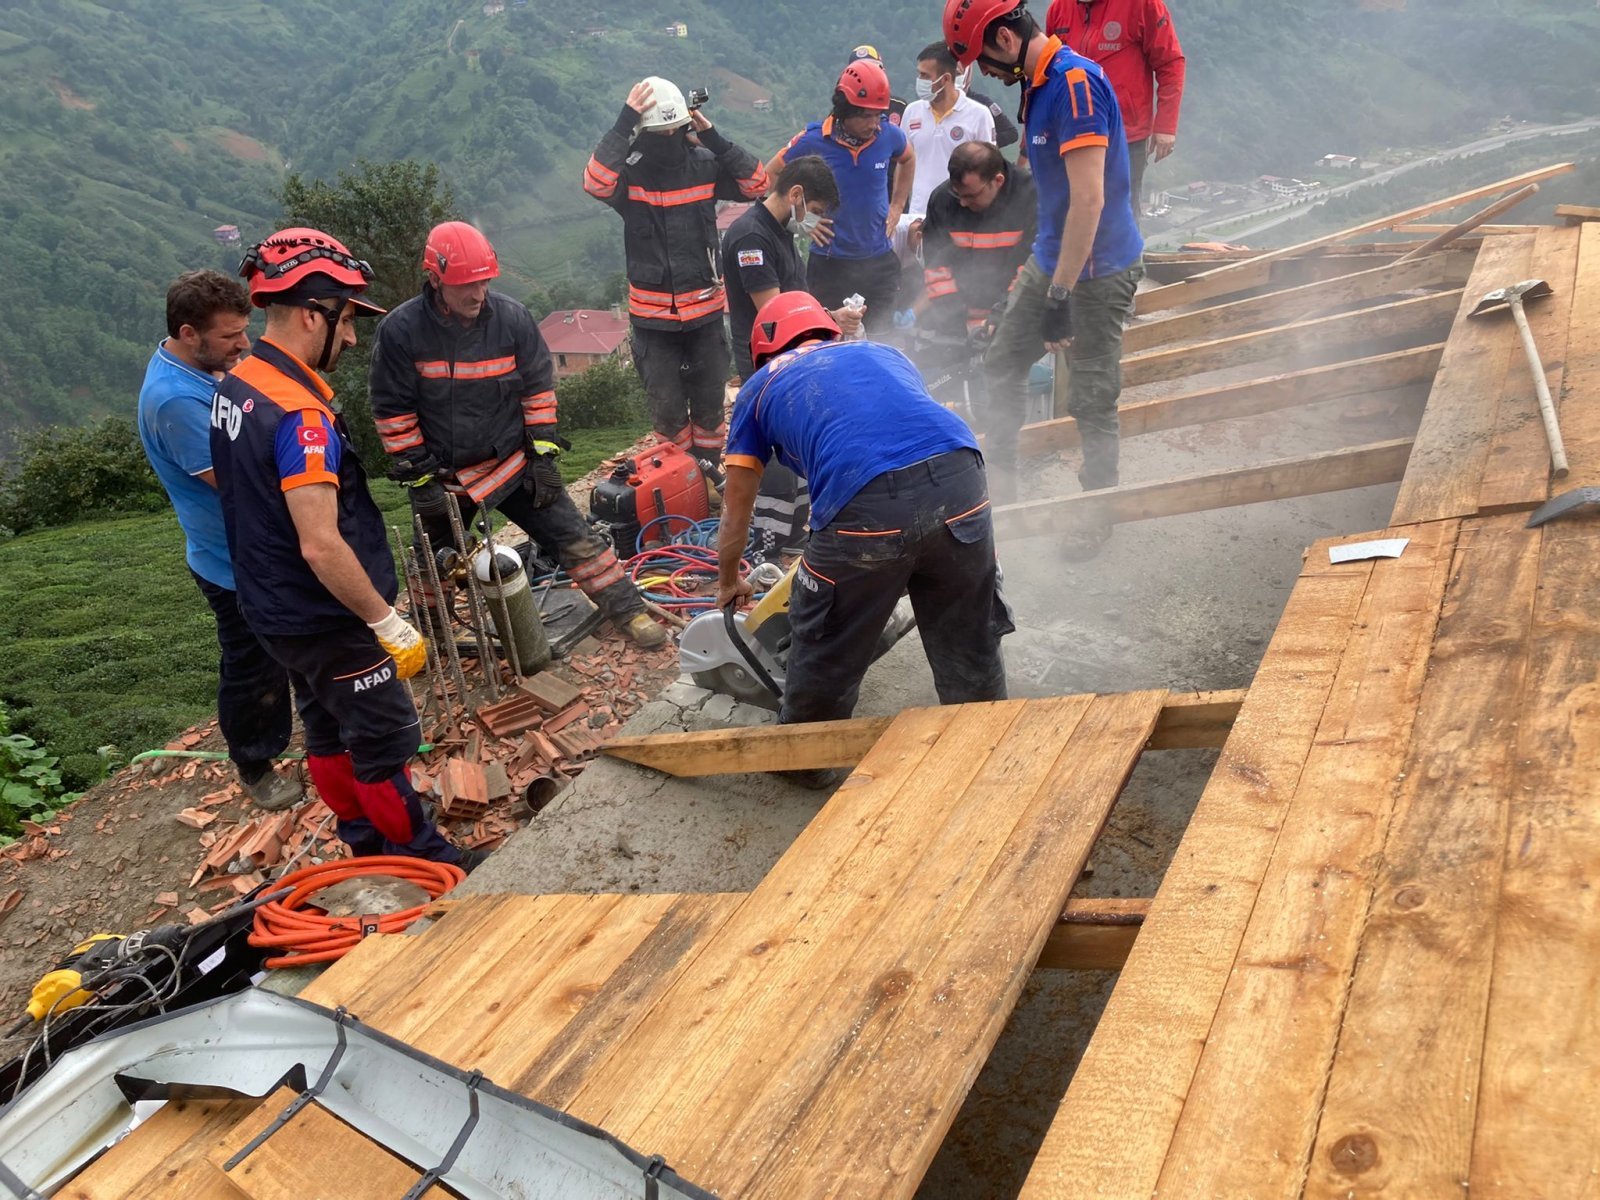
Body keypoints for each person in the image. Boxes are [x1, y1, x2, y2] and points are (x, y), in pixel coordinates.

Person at [209, 227, 478, 868]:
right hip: (327, 614)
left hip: (272, 609)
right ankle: (425, 857)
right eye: (349, 319)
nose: (354, 337)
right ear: (311, 314)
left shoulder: (236, 386)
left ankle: (362, 844)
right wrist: (385, 621)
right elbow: (322, 544)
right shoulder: (300, 417)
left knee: (328, 727)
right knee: (385, 737)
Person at [717, 292, 1013, 762]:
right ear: (827, 330)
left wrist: (729, 579)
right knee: (968, 628)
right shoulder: (883, 353)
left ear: (763, 351)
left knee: (826, 638)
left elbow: (737, 508)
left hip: (866, 505)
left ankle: (806, 762)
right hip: (963, 481)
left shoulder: (760, 385)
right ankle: (983, 742)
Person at [369, 221, 666, 650]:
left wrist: (543, 457)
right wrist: (421, 480)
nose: (477, 295)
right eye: (465, 286)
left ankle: (628, 611)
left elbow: (538, 390)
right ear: (435, 280)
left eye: (484, 283)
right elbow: (393, 413)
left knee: (574, 536)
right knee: (431, 564)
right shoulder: (401, 332)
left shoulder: (511, 319)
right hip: (445, 476)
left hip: (512, 462)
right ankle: (429, 639)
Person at [945, 0, 1145, 557]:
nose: (984, 74)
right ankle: (1000, 494)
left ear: (1005, 40)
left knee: (1092, 397)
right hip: (1053, 258)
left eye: (983, 61)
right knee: (1001, 363)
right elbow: (1053, 201)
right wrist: (1038, 279)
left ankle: (1095, 512)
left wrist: (1060, 295)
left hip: (1099, 271)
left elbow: (1089, 200)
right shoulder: (1037, 86)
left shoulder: (1075, 86)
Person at [137, 270, 302, 812]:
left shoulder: (203, 369)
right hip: (230, 560)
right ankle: (254, 763)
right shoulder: (174, 401)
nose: (243, 344)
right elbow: (237, 480)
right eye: (231, 337)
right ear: (189, 333)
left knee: (285, 646)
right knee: (252, 664)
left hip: (254, 546)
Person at [583, 77, 768, 484]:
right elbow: (595, 181)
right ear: (644, 132)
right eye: (660, 132)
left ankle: (708, 477)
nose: (669, 138)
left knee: (707, 408)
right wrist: (623, 121)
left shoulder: (704, 163)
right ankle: (682, 479)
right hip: (653, 323)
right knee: (667, 413)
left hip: (703, 313)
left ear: (686, 125)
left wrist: (714, 138)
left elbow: (758, 184)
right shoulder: (630, 171)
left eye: (675, 129)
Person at [721, 156, 858, 564]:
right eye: (814, 211)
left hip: (793, 358)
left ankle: (792, 532)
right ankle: (766, 545)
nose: (813, 221)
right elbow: (776, 315)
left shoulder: (779, 232)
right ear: (796, 194)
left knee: (797, 446)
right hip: (768, 363)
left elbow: (796, 298)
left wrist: (830, 318)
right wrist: (831, 320)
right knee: (776, 458)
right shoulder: (751, 238)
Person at [766, 59, 913, 332]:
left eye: (878, 114)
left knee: (883, 340)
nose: (874, 123)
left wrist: (897, 206)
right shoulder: (813, 141)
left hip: (879, 261)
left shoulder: (888, 135)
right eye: (865, 116)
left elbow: (908, 158)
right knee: (828, 338)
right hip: (830, 264)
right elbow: (772, 174)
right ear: (845, 110)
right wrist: (801, 220)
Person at [1047, 0, 1186, 218]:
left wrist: (1166, 125)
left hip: (1125, 135)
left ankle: (1125, 253)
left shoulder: (1142, 5)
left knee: (1121, 215)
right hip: (1071, 133)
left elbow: (1170, 62)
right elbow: (1047, 70)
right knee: (1072, 211)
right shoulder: (1059, 8)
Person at [918, 140, 1037, 340]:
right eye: (958, 194)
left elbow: (1031, 268)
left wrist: (1000, 317)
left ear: (997, 180)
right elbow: (936, 270)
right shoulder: (942, 200)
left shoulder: (1031, 195)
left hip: (1017, 319)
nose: (963, 203)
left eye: (971, 196)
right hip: (960, 323)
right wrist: (956, 327)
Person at [901, 42, 996, 221]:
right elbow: (903, 162)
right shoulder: (912, 112)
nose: (919, 81)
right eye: (919, 74)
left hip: (963, 215)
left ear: (945, 79)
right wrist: (898, 207)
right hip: (919, 216)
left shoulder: (979, 115)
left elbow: (990, 169)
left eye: (925, 76)